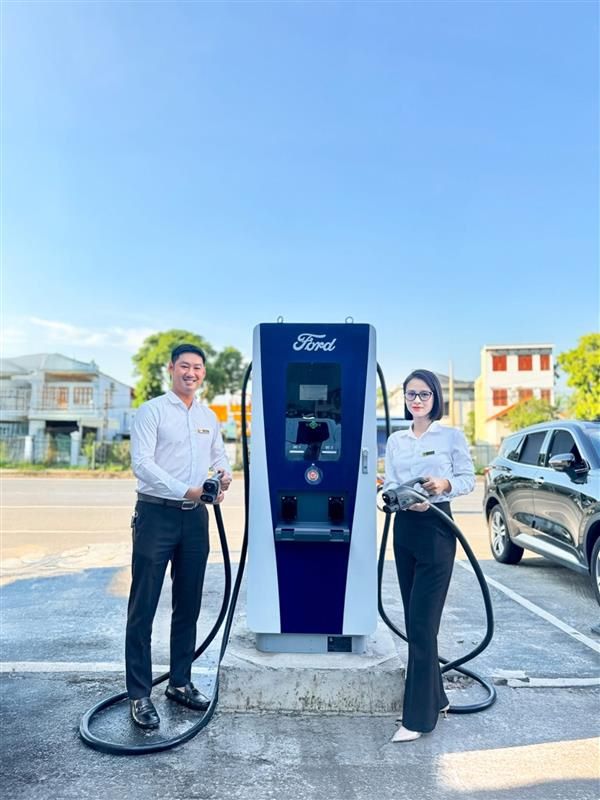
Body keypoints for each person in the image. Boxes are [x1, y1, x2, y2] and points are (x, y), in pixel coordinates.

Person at [126, 344, 232, 728]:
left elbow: (219, 455)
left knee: (188, 605)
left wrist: (223, 474)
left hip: (195, 519)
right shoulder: (152, 411)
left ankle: (180, 683)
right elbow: (142, 464)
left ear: (203, 373)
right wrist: (187, 490)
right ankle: (139, 695)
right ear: (171, 368)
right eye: (184, 366)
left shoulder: (208, 416)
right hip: (156, 514)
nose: (191, 373)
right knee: (144, 606)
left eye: (197, 367)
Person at [383, 369, 475, 743]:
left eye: (424, 394)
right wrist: (395, 496)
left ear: (436, 397)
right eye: (411, 394)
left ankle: (418, 720)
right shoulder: (396, 440)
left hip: (438, 528)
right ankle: (437, 699)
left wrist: (444, 484)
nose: (417, 400)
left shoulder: (450, 436)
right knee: (415, 622)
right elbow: (391, 481)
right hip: (405, 528)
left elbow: (468, 478)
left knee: (423, 625)